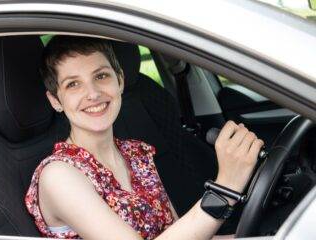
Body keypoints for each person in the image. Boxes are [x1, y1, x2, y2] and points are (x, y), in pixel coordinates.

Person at [25, 36, 264, 240]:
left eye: (101, 76)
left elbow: (176, 232)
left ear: (119, 81)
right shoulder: (58, 176)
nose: (93, 94)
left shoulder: (137, 153)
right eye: (73, 84)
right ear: (56, 101)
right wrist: (226, 188)